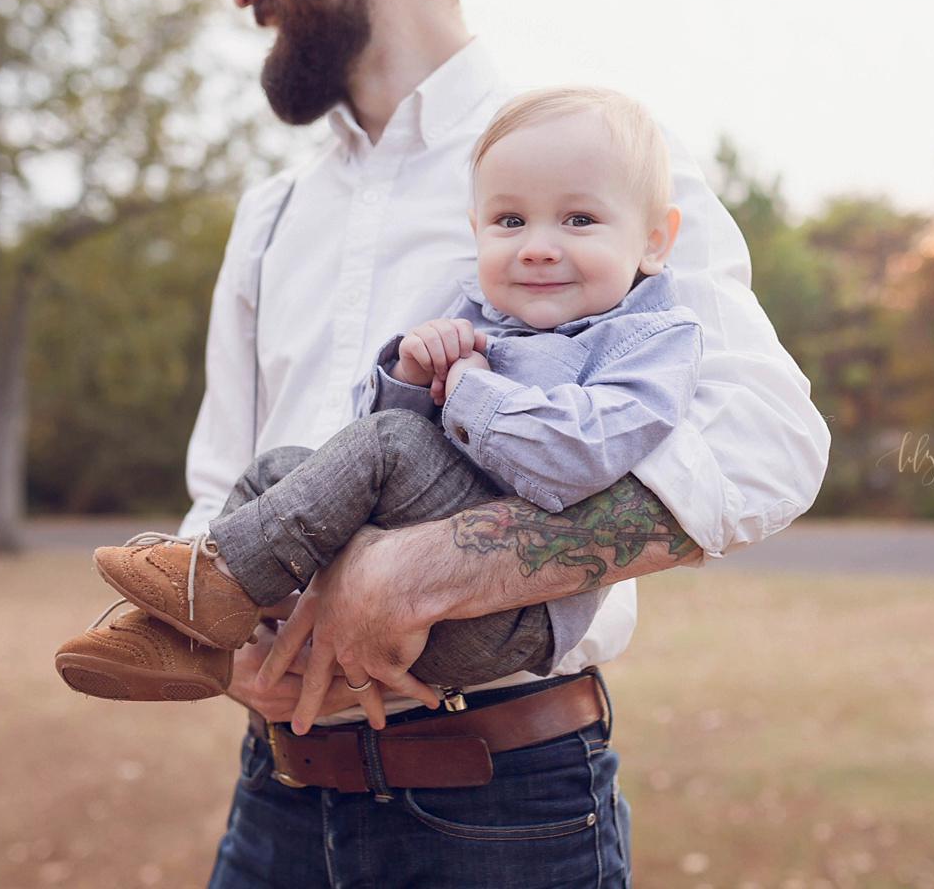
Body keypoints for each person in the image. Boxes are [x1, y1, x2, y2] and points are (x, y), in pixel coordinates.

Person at [129, 0, 827, 885]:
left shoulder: (600, 165)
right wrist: (225, 633)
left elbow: (768, 439)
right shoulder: (272, 215)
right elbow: (221, 478)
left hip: (498, 810)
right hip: (274, 801)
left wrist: (437, 568)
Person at [54, 86, 704, 720]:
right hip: (400, 606)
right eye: (510, 221)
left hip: (508, 619)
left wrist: (471, 388)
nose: (535, 244)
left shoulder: (650, 339)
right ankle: (195, 643)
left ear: (653, 240)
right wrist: (411, 376)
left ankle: (213, 584)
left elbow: (579, 459)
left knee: (389, 442)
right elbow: (363, 467)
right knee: (278, 470)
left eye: (579, 219)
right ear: (476, 229)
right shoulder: (482, 314)